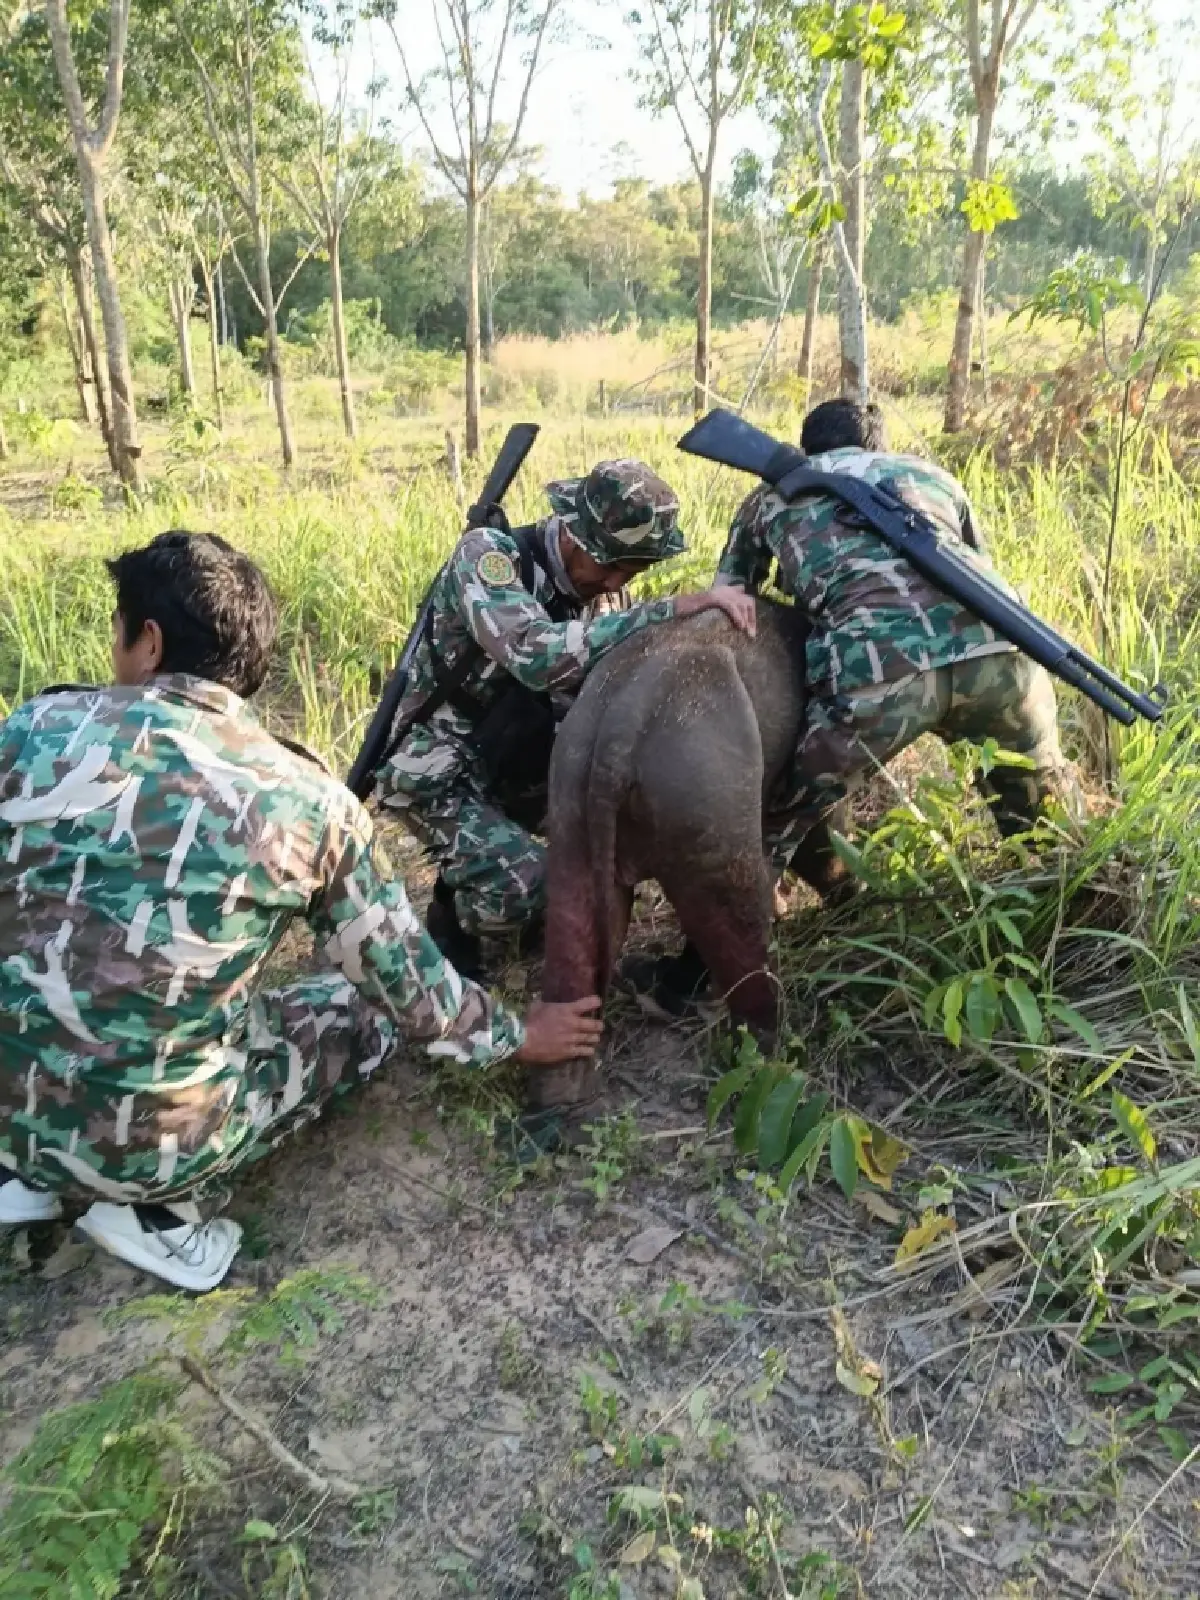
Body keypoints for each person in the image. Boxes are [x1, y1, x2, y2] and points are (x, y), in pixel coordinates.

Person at [0, 532, 604, 1292]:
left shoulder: (26, 730)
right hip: (152, 1146)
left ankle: (21, 1170)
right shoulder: (305, 799)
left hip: (8, 1105)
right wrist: (521, 1035)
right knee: (357, 1010)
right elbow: (409, 988)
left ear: (148, 642)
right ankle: (155, 1212)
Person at [374, 458, 756, 980]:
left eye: (632, 571)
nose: (615, 582)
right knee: (531, 887)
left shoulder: (606, 596)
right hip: (438, 764)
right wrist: (668, 609)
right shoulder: (489, 558)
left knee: (623, 833)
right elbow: (538, 656)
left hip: (520, 754)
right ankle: (454, 921)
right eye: (610, 565)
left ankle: (494, 869)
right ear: (574, 534)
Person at [716, 398, 1073, 863]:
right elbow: (976, 566)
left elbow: (727, 595)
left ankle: (764, 896)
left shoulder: (770, 496)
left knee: (775, 827)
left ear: (806, 450)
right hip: (1001, 651)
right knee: (1048, 826)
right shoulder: (933, 477)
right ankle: (1069, 895)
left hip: (879, 669)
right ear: (881, 447)